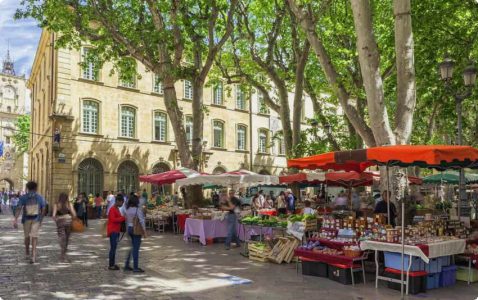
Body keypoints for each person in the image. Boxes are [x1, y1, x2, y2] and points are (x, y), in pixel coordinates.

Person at [13, 181, 46, 264]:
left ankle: (27, 252)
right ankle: (33, 256)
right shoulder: (40, 197)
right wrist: (41, 219)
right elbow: (43, 209)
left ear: (27, 188)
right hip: (36, 219)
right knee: (34, 237)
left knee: (27, 237)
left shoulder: (23, 197)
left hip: (26, 219)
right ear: (36, 188)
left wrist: (15, 219)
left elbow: (19, 208)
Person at [124, 195, 146, 273]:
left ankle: (127, 265)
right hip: (136, 229)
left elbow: (126, 220)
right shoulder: (137, 210)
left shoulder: (128, 210)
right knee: (136, 249)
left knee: (132, 247)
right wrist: (144, 231)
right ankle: (135, 267)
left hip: (129, 229)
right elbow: (142, 221)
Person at [52, 193, 77, 262]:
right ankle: (64, 255)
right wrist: (72, 218)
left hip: (60, 222)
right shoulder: (69, 204)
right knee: (67, 238)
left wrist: (57, 220)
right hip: (68, 222)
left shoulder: (56, 204)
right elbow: (74, 214)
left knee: (62, 238)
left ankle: (62, 255)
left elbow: (53, 216)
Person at [107, 194, 125, 270]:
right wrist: (123, 218)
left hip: (116, 230)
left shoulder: (116, 209)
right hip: (113, 230)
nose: (122, 205)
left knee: (114, 248)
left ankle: (113, 264)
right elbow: (113, 219)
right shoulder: (112, 209)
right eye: (121, 203)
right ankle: (111, 265)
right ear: (118, 201)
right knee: (113, 248)